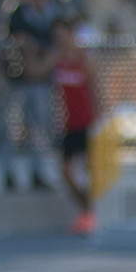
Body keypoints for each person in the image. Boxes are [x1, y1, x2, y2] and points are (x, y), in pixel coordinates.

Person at [3, 0, 60, 191]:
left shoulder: (52, 13)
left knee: (39, 129)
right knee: (13, 129)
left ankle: (37, 174)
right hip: (18, 80)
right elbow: (12, 41)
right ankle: (9, 175)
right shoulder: (17, 12)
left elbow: (55, 41)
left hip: (41, 81)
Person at [48, 16, 97, 235]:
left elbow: (96, 89)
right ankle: (86, 209)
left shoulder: (84, 58)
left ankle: (93, 213)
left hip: (86, 121)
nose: (60, 38)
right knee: (66, 172)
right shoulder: (56, 58)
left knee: (91, 170)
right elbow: (36, 71)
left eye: (63, 33)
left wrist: (100, 117)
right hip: (67, 123)